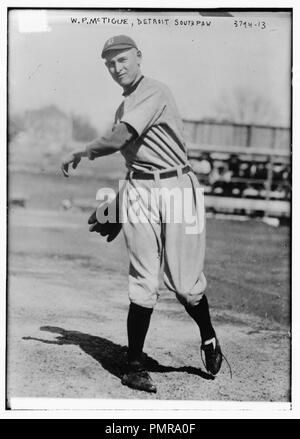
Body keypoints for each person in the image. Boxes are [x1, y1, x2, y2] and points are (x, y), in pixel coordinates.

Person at [61, 35, 223, 393]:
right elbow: (132, 159)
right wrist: (121, 202)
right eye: (110, 63)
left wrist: (83, 151)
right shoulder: (125, 105)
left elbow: (119, 138)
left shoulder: (154, 91)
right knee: (144, 277)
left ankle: (208, 335)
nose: (117, 68)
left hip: (177, 186)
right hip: (140, 188)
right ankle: (133, 365)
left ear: (138, 57)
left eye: (122, 60)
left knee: (184, 284)